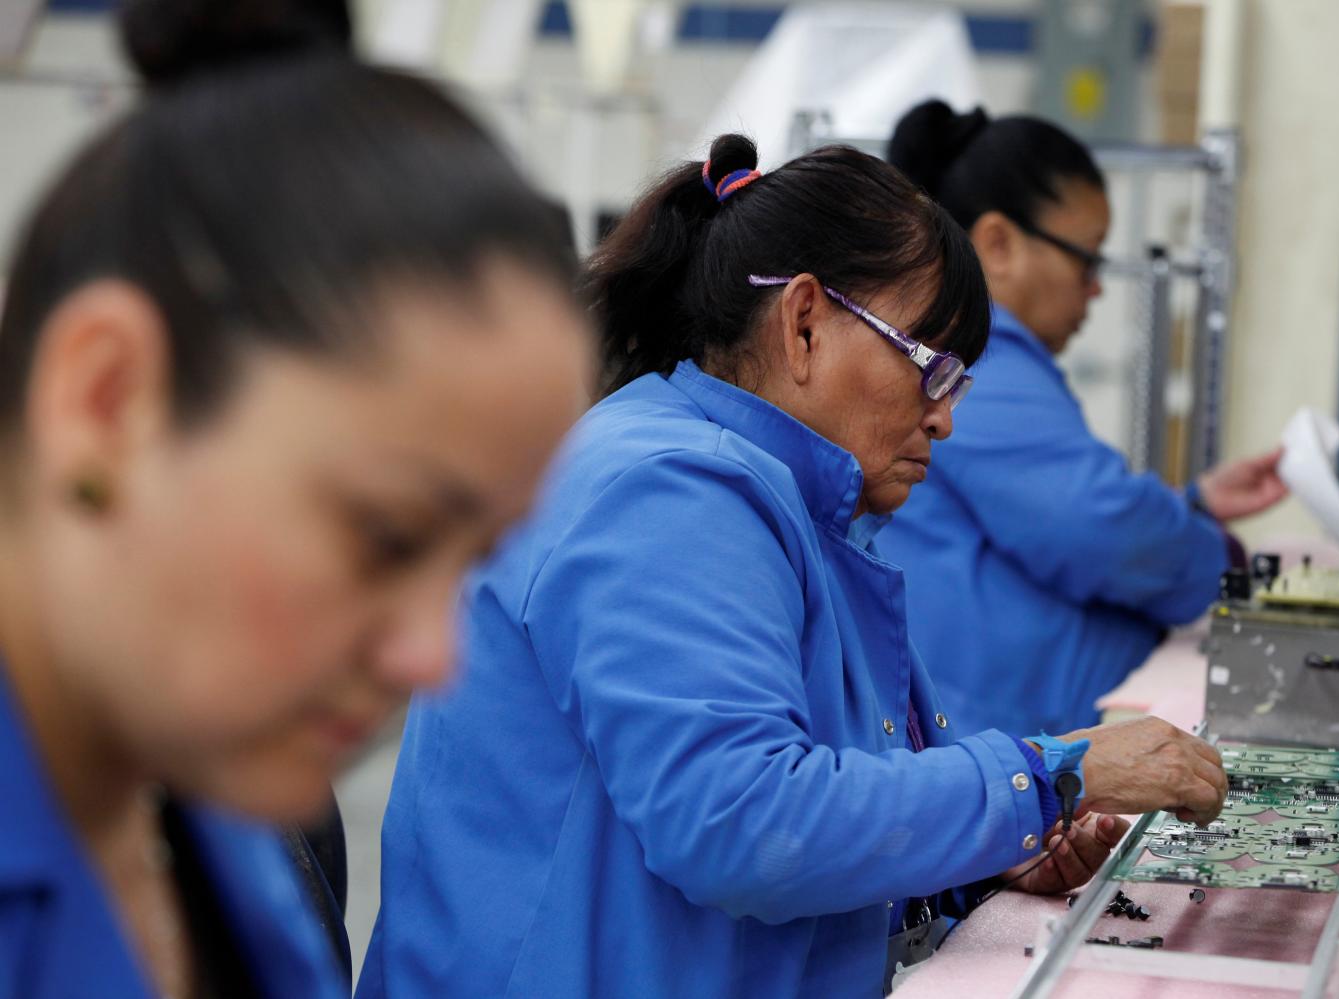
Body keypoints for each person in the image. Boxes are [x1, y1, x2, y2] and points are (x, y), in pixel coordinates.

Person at [358, 133, 1227, 999]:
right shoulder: (669, 492)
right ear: (804, 322)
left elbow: (820, 798)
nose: (945, 420)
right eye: (932, 368)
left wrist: (976, 862)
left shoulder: (788, 506)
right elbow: (743, 822)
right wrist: (1053, 774)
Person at [0, 0, 593, 995]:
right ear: (104, 398)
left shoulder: (192, 798)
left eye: (475, 559)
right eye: (388, 538)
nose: (433, 658)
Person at [881, 102, 1288, 737]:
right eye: (1087, 259)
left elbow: (1052, 511)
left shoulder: (962, 347)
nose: (1095, 288)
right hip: (992, 737)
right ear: (998, 244)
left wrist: (1193, 505)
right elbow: (1098, 527)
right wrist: (1221, 558)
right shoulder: (971, 354)